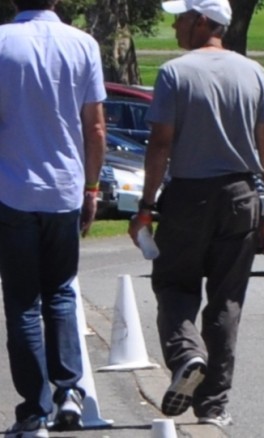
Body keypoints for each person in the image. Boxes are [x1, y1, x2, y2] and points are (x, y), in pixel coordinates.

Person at [127, 0, 264, 428]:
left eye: (180, 17)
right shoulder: (254, 73)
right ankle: (213, 404)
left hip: (189, 195)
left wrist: (145, 206)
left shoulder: (175, 72)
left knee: (174, 284)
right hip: (240, 194)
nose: (174, 25)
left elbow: (160, 144)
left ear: (202, 22)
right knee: (227, 298)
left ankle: (186, 354)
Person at [0, 0, 107, 436]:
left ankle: (34, 408)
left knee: (23, 301)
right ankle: (69, 391)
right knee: (61, 292)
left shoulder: (3, 42)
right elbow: (95, 126)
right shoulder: (83, 44)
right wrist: (93, 187)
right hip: (64, 186)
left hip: (12, 187)